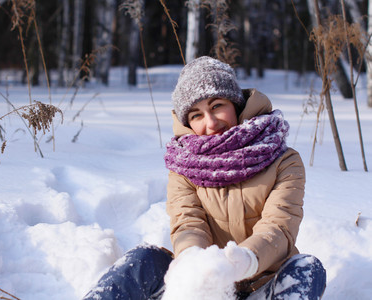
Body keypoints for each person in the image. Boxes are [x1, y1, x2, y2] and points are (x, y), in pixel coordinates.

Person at [82, 56, 326, 300]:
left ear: (235, 104)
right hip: (204, 284)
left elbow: (279, 227)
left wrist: (244, 260)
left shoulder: (283, 160)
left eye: (217, 105)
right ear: (187, 122)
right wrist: (193, 263)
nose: (210, 123)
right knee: (144, 258)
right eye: (197, 115)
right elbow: (188, 223)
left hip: (263, 282)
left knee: (308, 268)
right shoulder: (183, 164)